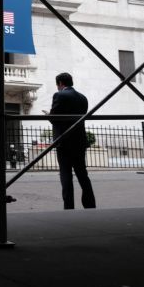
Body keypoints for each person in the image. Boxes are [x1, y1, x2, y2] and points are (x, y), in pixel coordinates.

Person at [49, 72, 96, 210]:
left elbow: (54, 118)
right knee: (82, 174)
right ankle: (90, 204)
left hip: (64, 141)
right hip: (79, 141)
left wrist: (49, 115)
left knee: (66, 175)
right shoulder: (83, 98)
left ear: (60, 83)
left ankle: (69, 206)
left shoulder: (59, 95)